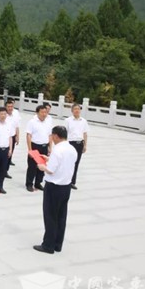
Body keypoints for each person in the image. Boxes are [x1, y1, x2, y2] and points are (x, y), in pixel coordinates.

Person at [33, 126, 78, 254]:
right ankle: (58, 244)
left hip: (54, 187)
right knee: (61, 216)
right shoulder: (72, 149)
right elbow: (63, 164)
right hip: (66, 186)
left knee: (50, 216)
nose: (51, 138)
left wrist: (42, 166)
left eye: (52, 136)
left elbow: (51, 170)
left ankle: (48, 245)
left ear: (56, 136)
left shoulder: (57, 150)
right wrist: (48, 159)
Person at [26, 105, 53, 192]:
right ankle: (29, 184)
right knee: (32, 167)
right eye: (42, 112)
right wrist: (30, 150)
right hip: (35, 146)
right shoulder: (32, 122)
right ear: (37, 113)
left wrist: (50, 147)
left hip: (44, 146)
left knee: (42, 166)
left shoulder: (48, 122)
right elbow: (29, 135)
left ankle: (38, 183)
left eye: (45, 112)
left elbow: (50, 135)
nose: (44, 114)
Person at [65, 103, 89, 190]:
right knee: (68, 163)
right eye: (75, 109)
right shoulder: (68, 120)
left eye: (78, 109)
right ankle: (66, 180)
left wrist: (85, 145)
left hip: (80, 144)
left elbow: (85, 133)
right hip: (71, 143)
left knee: (76, 163)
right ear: (72, 110)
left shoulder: (83, 121)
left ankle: (72, 182)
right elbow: (65, 133)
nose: (77, 110)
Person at [5, 98, 21, 177]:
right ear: (6, 107)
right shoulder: (3, 115)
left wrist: (17, 136)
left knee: (9, 154)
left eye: (11, 106)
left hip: (12, 137)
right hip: (4, 137)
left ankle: (6, 171)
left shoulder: (15, 115)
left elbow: (17, 127)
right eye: (8, 107)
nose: (10, 108)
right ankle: (1, 170)